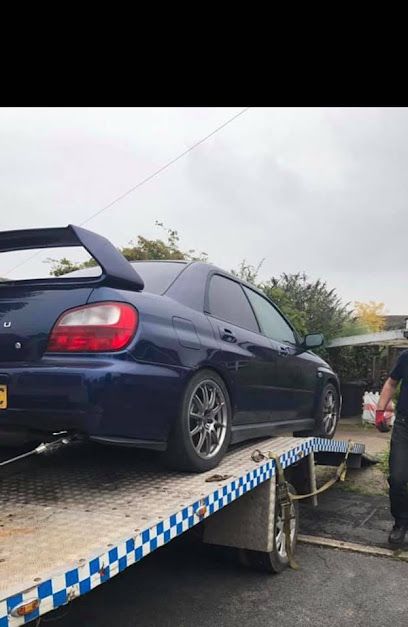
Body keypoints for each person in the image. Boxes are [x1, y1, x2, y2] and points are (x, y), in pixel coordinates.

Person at [376, 350, 408, 546]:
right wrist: (380, 410)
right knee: (397, 478)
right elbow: (391, 382)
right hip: (405, 425)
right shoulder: (406, 357)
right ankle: (401, 522)